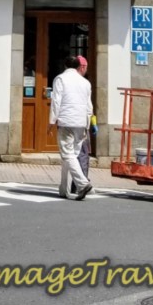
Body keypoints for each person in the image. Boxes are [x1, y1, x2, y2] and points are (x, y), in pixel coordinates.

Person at [49, 54, 93, 200]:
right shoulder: (85, 82)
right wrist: (88, 124)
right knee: (71, 156)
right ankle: (63, 189)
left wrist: (51, 121)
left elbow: (56, 101)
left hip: (66, 121)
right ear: (77, 66)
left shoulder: (61, 79)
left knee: (67, 155)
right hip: (81, 123)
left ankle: (82, 183)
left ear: (65, 66)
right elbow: (89, 106)